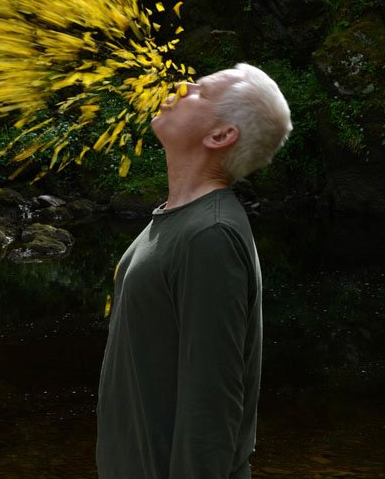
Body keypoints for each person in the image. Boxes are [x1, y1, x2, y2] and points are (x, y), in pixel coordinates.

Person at [96, 63, 293, 479]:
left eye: (202, 92)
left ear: (220, 136)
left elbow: (211, 408)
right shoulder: (179, 219)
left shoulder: (212, 236)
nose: (183, 85)